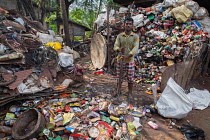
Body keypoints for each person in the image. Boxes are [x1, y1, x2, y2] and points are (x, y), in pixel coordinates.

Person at [114, 17, 139, 102]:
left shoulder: (135, 36)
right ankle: (118, 91)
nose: (128, 25)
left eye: (130, 24)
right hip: (120, 60)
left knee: (130, 79)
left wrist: (128, 55)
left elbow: (136, 48)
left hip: (130, 61)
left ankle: (130, 93)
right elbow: (115, 46)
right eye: (126, 23)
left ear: (132, 25)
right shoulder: (120, 36)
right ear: (124, 25)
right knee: (119, 78)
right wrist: (119, 49)